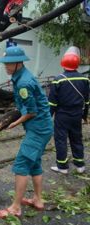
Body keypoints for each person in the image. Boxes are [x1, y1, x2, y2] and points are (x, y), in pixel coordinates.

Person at [0, 46, 53, 219]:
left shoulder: (24, 82)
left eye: (9, 63)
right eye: (5, 63)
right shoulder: (20, 77)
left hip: (38, 129)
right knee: (34, 163)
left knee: (21, 164)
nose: (6, 66)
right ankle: (37, 200)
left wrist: (14, 123)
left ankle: (15, 208)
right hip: (42, 127)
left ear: (19, 63)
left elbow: (31, 112)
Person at [48, 46, 89, 174]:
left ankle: (62, 167)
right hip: (77, 115)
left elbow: (52, 102)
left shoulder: (58, 80)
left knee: (61, 140)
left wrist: (49, 116)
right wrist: (84, 115)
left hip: (62, 115)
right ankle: (80, 165)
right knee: (76, 138)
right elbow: (87, 100)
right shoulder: (85, 79)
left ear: (63, 64)